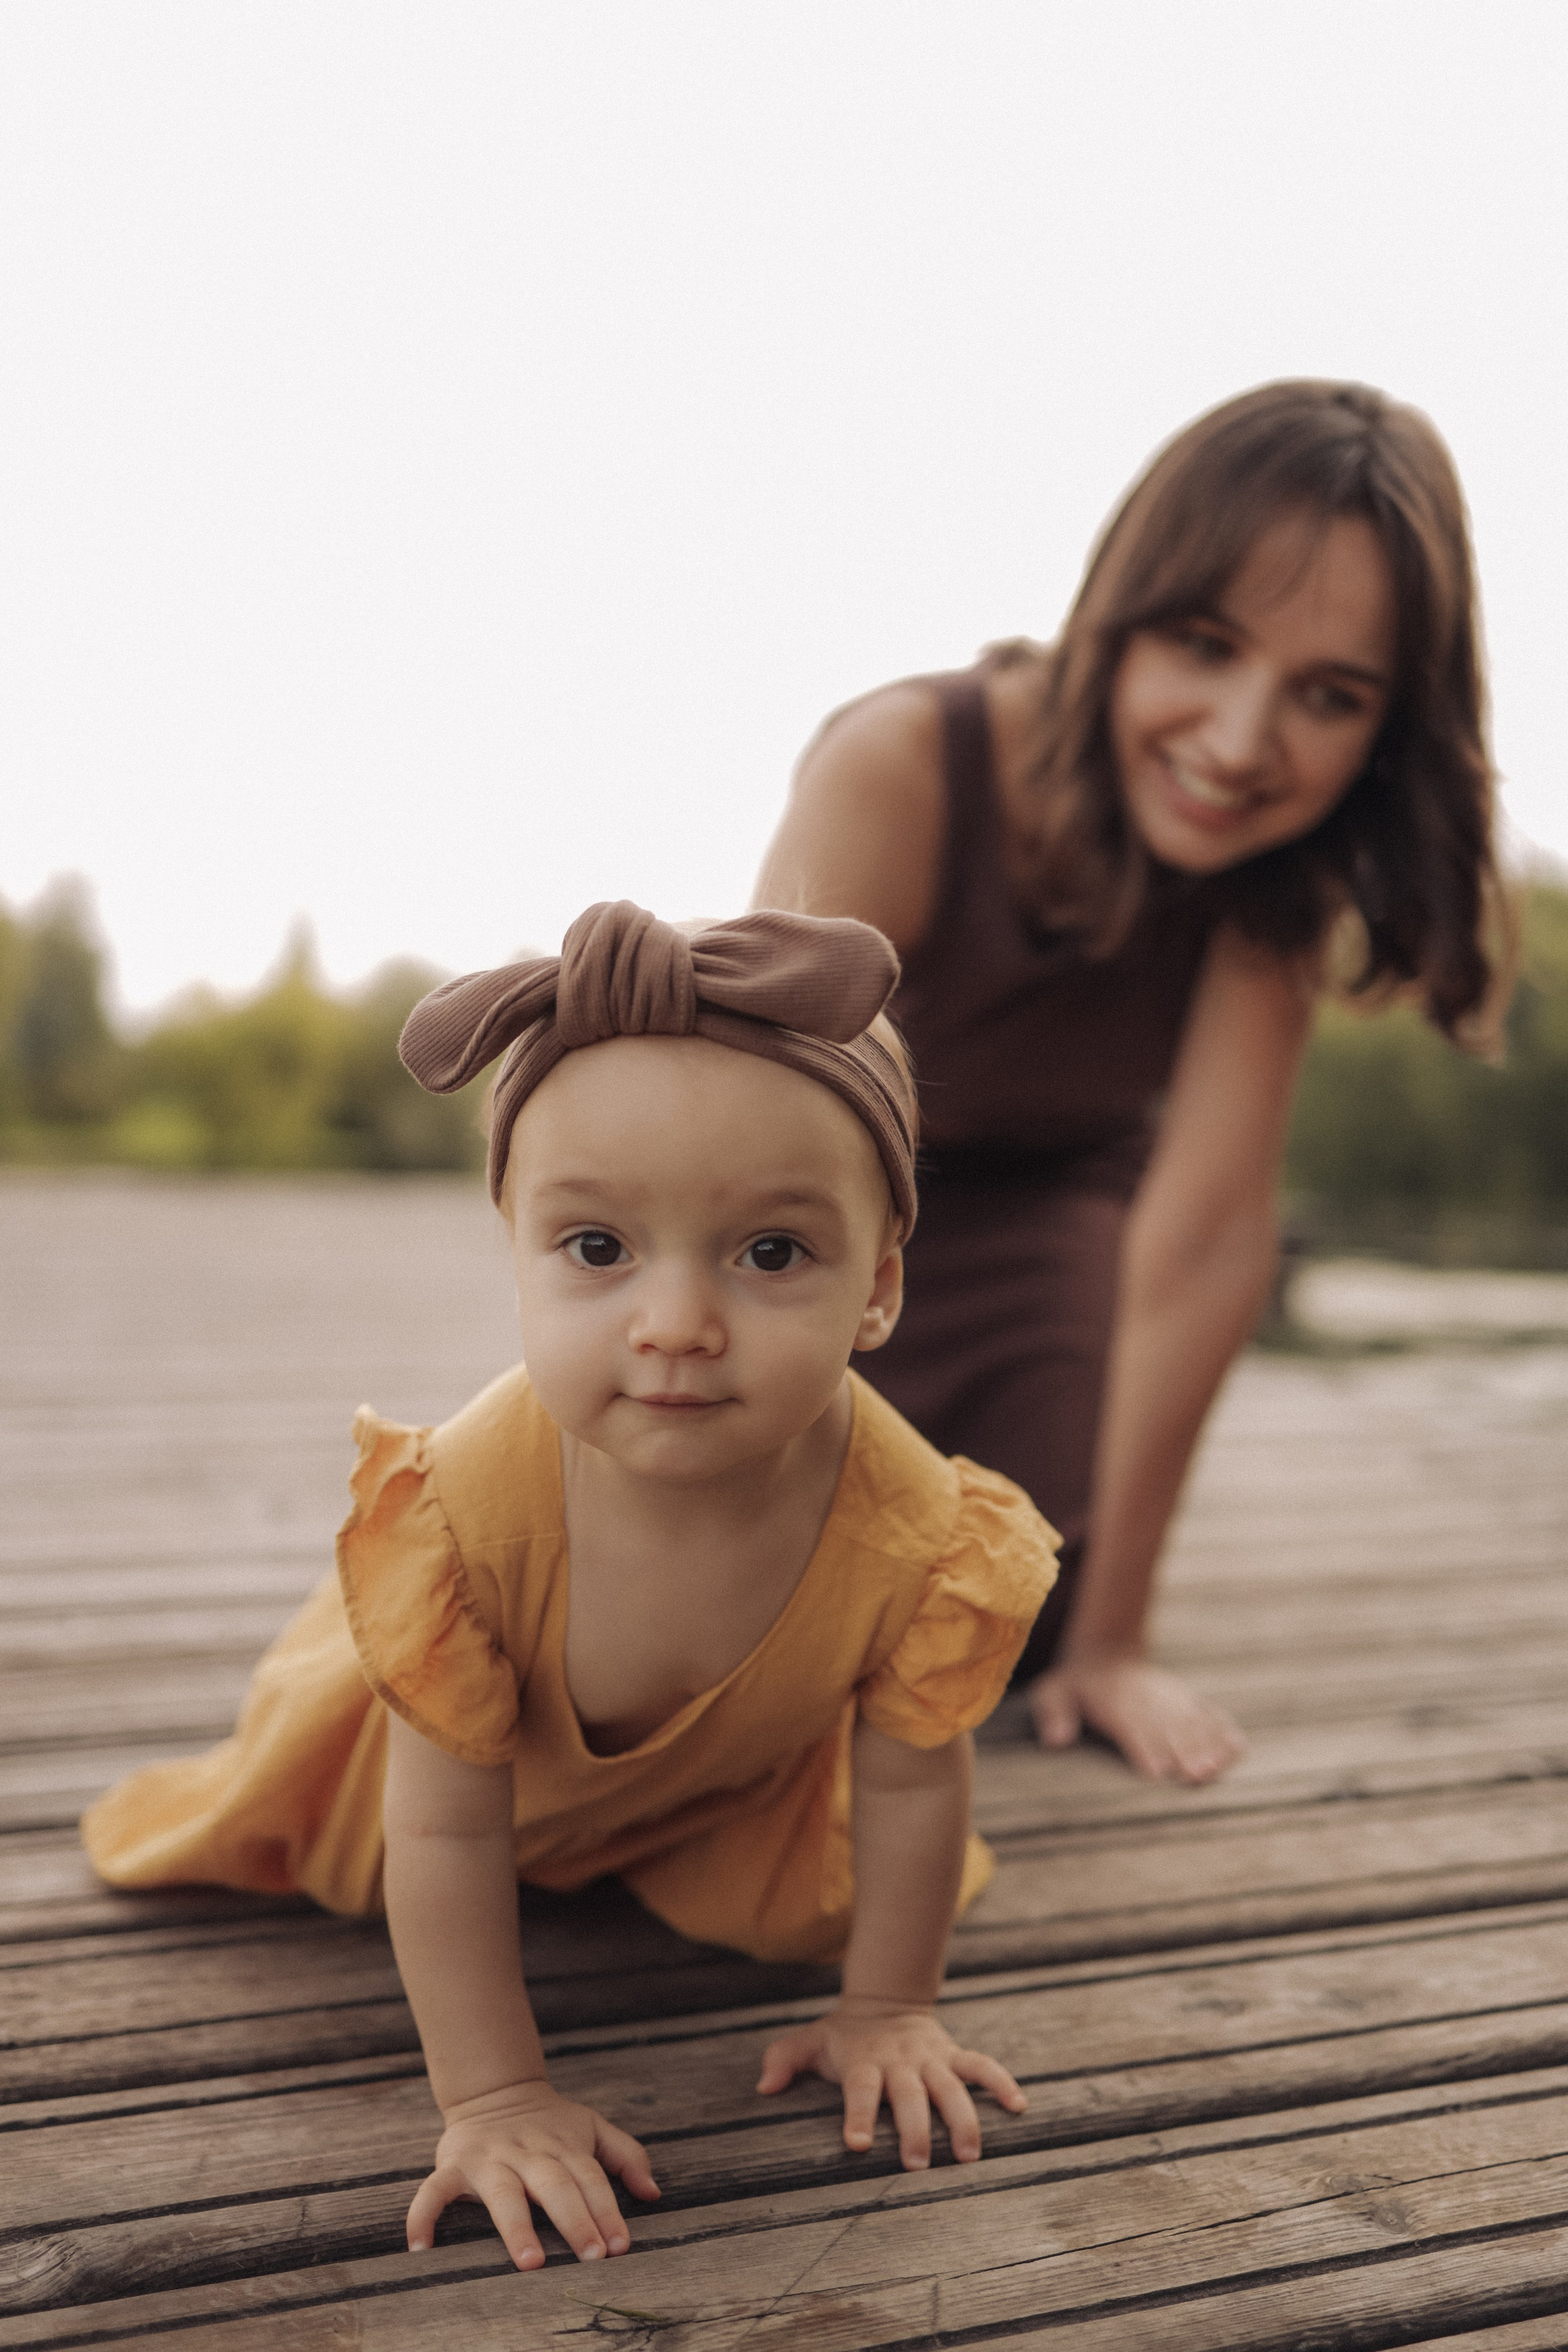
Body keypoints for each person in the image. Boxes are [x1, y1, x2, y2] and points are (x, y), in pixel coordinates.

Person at [81, 900, 1059, 2274]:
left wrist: (888, 2006)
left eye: (770, 1254)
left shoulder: (914, 1526)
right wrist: (494, 2099)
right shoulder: (475, 1514)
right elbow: (442, 1838)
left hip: (717, 1789)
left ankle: (689, 1874)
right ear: (519, 1253)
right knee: (348, 1877)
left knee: (811, 1900)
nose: (673, 1324)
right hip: (427, 1791)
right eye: (596, 1249)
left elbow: (907, 1775)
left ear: (879, 1287)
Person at [754, 379, 1504, 1787]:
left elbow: (1208, 1228)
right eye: (1203, 646)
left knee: (1009, 1606)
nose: (1235, 741)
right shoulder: (906, 763)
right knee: (732, 1580)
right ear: (1115, 607)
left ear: (1386, 730)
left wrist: (1115, 1636)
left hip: (1049, 1230)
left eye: (1327, 697)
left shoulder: (1275, 886)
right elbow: (745, 1129)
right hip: (823, 1207)